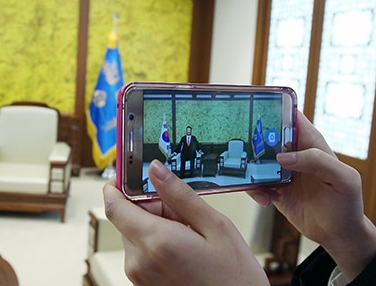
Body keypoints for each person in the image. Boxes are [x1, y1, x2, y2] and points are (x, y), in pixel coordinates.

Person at [104, 111, 376, 285]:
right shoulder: (348, 242)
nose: (188, 134)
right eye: (186, 133)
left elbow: (195, 149)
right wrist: (354, 241)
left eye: (188, 133)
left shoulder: (195, 140)